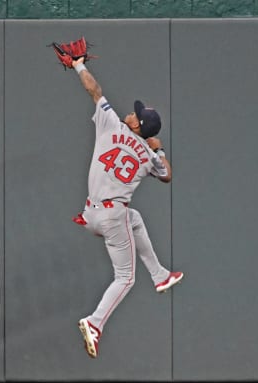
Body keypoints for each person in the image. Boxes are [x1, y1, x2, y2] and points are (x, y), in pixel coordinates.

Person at [69, 56, 184, 359]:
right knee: (126, 277)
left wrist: (79, 65)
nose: (131, 115)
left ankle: (159, 275)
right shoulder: (148, 155)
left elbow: (94, 90)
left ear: (137, 124)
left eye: (136, 116)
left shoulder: (111, 124)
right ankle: (95, 323)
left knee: (134, 219)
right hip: (111, 215)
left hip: (92, 213)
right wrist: (157, 148)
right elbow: (168, 176)